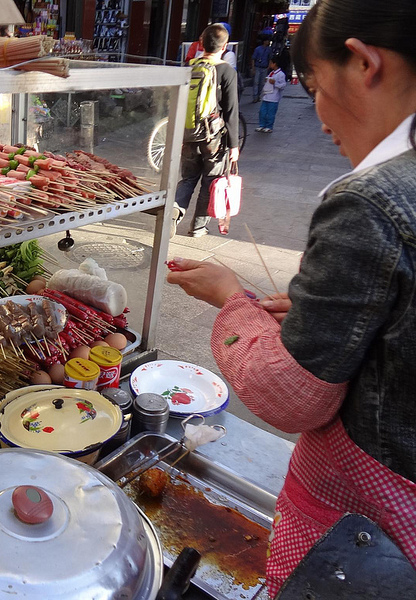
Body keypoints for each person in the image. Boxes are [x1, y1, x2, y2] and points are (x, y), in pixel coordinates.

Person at [166, 0, 416, 595]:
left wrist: (232, 299)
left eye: (314, 87)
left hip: (365, 540)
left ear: (362, 63)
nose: (322, 120)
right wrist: (328, 325)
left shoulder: (372, 201)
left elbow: (290, 395)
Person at [173, 23, 239, 238]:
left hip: (189, 133)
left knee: (188, 178)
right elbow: (231, 111)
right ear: (225, 46)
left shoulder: (190, 67)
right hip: (214, 138)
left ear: (201, 44)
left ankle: (175, 210)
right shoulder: (227, 71)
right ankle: (198, 227)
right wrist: (234, 145)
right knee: (210, 182)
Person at [256, 55, 286, 132]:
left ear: (274, 63)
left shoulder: (281, 74)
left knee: (270, 113)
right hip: (266, 96)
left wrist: (275, 83)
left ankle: (269, 126)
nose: (269, 64)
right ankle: (262, 125)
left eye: (271, 63)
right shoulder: (271, 73)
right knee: (262, 112)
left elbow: (283, 85)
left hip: (274, 97)